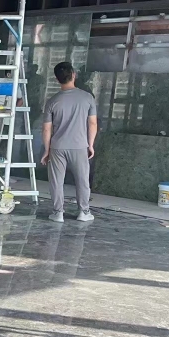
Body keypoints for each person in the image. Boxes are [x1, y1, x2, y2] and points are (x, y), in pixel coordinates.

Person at [41, 62, 97, 223]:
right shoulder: (87, 98)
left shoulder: (52, 101)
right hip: (80, 146)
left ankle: (58, 213)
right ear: (73, 75)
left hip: (58, 147)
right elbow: (92, 123)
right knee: (82, 180)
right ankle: (83, 212)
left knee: (56, 182)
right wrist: (90, 145)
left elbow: (46, 129)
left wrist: (47, 150)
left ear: (57, 79)